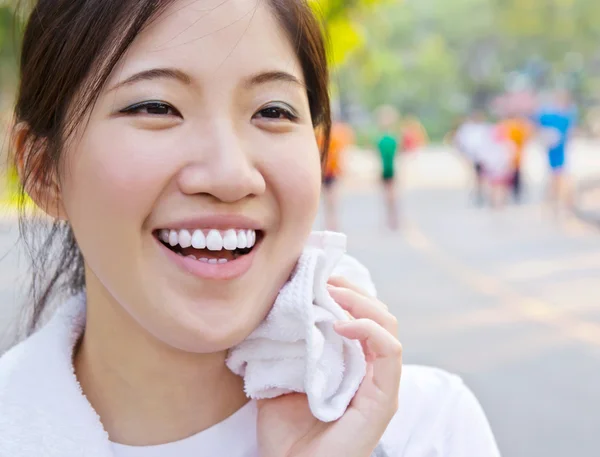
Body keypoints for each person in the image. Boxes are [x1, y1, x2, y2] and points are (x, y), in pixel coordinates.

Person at [0, 1, 500, 456]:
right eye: (155, 107)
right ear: (44, 172)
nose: (231, 176)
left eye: (272, 111)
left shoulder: (425, 431)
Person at [534, 90, 577, 214]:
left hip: (560, 150)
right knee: (557, 176)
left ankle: (559, 201)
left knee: (559, 176)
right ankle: (556, 201)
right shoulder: (556, 116)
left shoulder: (565, 116)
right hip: (555, 150)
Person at [320, 121, 354, 231]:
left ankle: (333, 224)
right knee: (328, 200)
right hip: (324, 171)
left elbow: (342, 153)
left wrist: (342, 169)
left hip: (332, 172)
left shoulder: (337, 134)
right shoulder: (321, 133)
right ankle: (330, 224)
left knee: (332, 200)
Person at [454, 111, 490, 206]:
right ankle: (478, 193)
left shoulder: (485, 128)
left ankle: (482, 193)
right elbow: (461, 142)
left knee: (483, 177)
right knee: (477, 176)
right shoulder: (467, 129)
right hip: (472, 156)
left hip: (484, 156)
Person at [375, 106, 401, 230]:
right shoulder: (380, 138)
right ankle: (390, 219)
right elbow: (377, 157)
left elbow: (398, 156)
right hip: (384, 169)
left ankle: (394, 219)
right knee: (387, 196)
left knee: (392, 195)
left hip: (391, 169)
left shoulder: (393, 138)